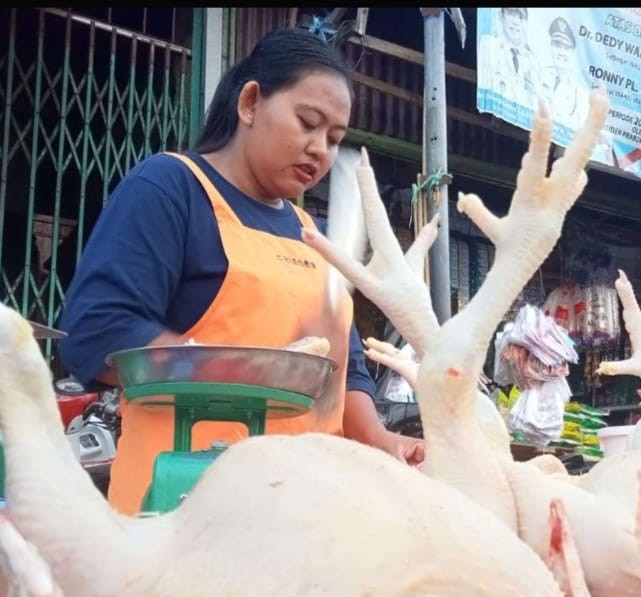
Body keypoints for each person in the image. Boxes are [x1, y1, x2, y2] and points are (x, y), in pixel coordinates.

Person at [57, 27, 424, 517]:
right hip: (186, 507)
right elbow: (98, 331)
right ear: (250, 103)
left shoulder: (312, 234)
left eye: (335, 139)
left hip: (307, 509)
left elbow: (346, 371)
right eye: (307, 122)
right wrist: (248, 371)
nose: (320, 150)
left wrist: (383, 441)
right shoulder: (171, 190)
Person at [478, 8, 541, 109]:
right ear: (502, 16)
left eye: (520, 17)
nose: (515, 22)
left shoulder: (532, 61)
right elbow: (486, 86)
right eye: (511, 14)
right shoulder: (490, 45)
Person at [540, 17, 589, 131]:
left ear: (572, 52)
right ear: (551, 46)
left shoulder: (579, 92)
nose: (561, 52)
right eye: (557, 45)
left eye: (566, 48)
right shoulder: (538, 72)